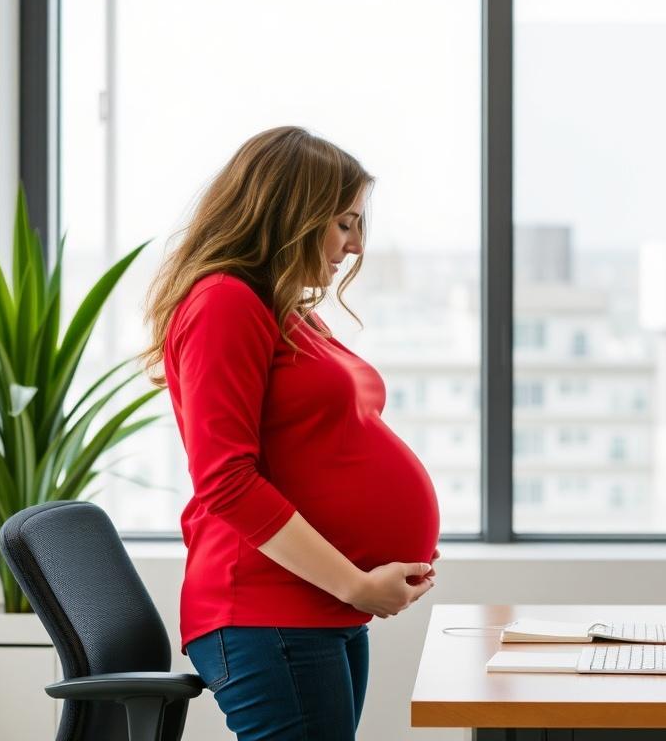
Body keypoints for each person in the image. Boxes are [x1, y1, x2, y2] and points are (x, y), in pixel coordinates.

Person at [141, 125, 441, 740]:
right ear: (290, 215)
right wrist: (356, 582)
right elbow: (226, 482)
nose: (355, 246)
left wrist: (356, 589)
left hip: (314, 609)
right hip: (266, 609)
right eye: (343, 223)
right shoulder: (224, 302)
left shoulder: (282, 311)